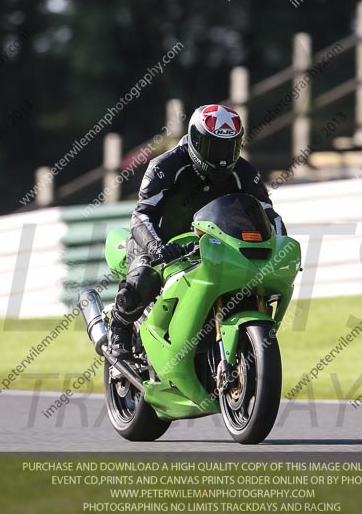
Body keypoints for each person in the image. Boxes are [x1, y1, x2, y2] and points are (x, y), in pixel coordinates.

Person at [107, 104, 287, 359]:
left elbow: (269, 215)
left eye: (229, 148)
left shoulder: (245, 173)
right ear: (194, 139)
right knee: (144, 276)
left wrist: (279, 246)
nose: (222, 157)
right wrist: (157, 247)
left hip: (211, 245)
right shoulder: (166, 166)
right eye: (214, 147)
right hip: (161, 242)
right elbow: (141, 215)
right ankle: (119, 327)